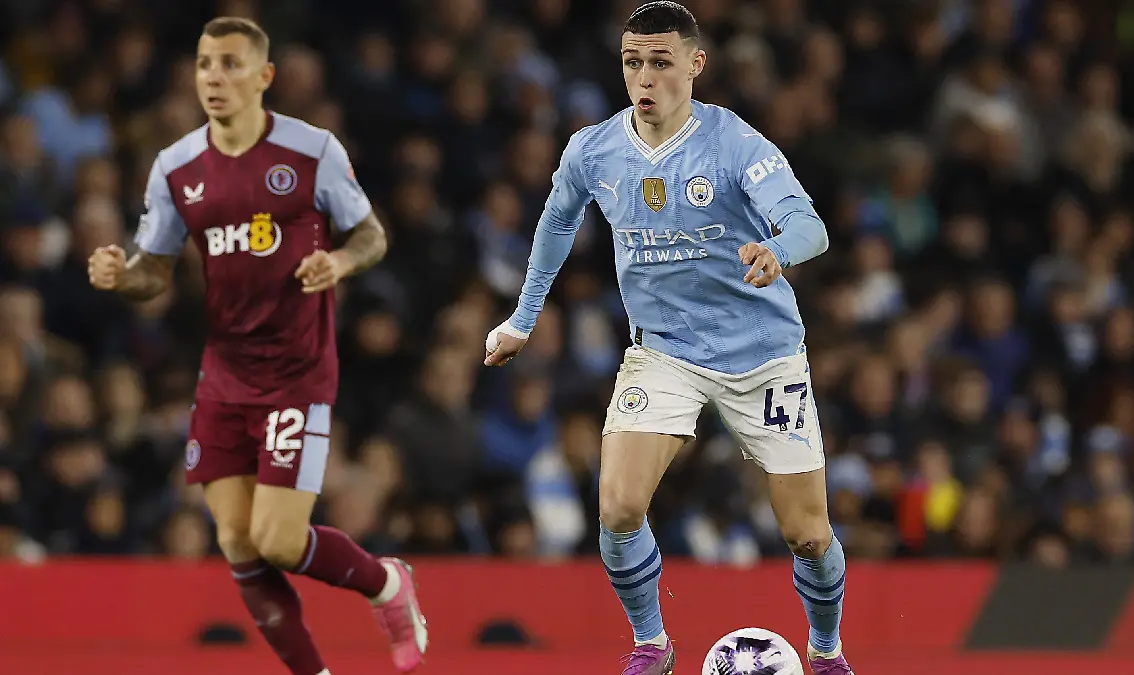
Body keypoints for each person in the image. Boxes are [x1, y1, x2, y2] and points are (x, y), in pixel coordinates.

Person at [484, 2, 851, 674]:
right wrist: (523, 317)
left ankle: (825, 648)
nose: (644, 76)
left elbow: (810, 225)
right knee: (619, 504)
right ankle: (652, 643)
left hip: (762, 354)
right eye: (632, 62)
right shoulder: (593, 148)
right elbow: (557, 224)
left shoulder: (736, 143)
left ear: (694, 64)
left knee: (806, 532)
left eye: (659, 61)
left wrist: (777, 249)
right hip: (664, 353)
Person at [87, 17, 427, 675]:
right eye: (204, 64)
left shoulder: (312, 152)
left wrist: (341, 265)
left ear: (264, 77)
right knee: (238, 542)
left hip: (297, 372)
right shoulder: (176, 167)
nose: (214, 77)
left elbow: (371, 236)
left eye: (231, 64)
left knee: (275, 536)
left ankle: (387, 583)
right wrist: (120, 275)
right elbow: (154, 270)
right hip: (223, 374)